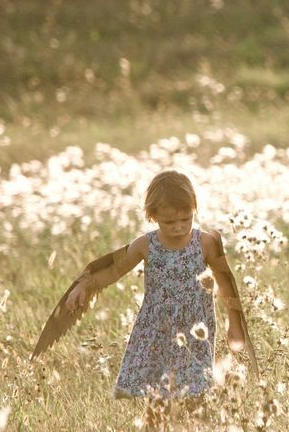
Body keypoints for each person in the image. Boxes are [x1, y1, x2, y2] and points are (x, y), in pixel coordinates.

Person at [48, 169, 255, 400]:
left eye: (186, 219)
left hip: (195, 332)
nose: (178, 227)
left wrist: (233, 323)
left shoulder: (205, 243)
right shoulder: (146, 245)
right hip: (155, 331)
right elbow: (115, 269)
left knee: (197, 395)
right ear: (152, 216)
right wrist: (84, 286)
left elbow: (225, 284)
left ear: (194, 209)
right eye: (169, 222)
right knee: (157, 397)